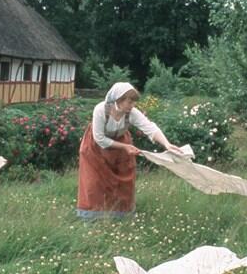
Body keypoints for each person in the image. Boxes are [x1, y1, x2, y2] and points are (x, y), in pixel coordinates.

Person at [76, 82, 182, 219]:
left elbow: (149, 127)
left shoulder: (131, 113)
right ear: (118, 100)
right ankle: (92, 216)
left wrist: (167, 144)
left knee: (124, 180)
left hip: (120, 145)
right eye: (129, 101)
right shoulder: (101, 110)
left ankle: (120, 215)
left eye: (134, 102)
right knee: (95, 182)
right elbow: (100, 139)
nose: (132, 105)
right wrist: (125, 147)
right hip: (96, 148)